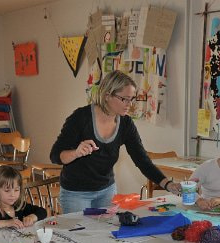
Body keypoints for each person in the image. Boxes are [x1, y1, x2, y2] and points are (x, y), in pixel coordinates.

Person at [49, 70, 181, 213]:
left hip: (106, 191)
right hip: (76, 193)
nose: (130, 104)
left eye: (132, 99)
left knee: (107, 228)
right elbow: (55, 155)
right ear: (107, 95)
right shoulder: (80, 118)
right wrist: (76, 153)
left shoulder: (126, 124)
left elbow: (142, 160)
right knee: (78, 228)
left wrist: (167, 184)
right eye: (125, 99)